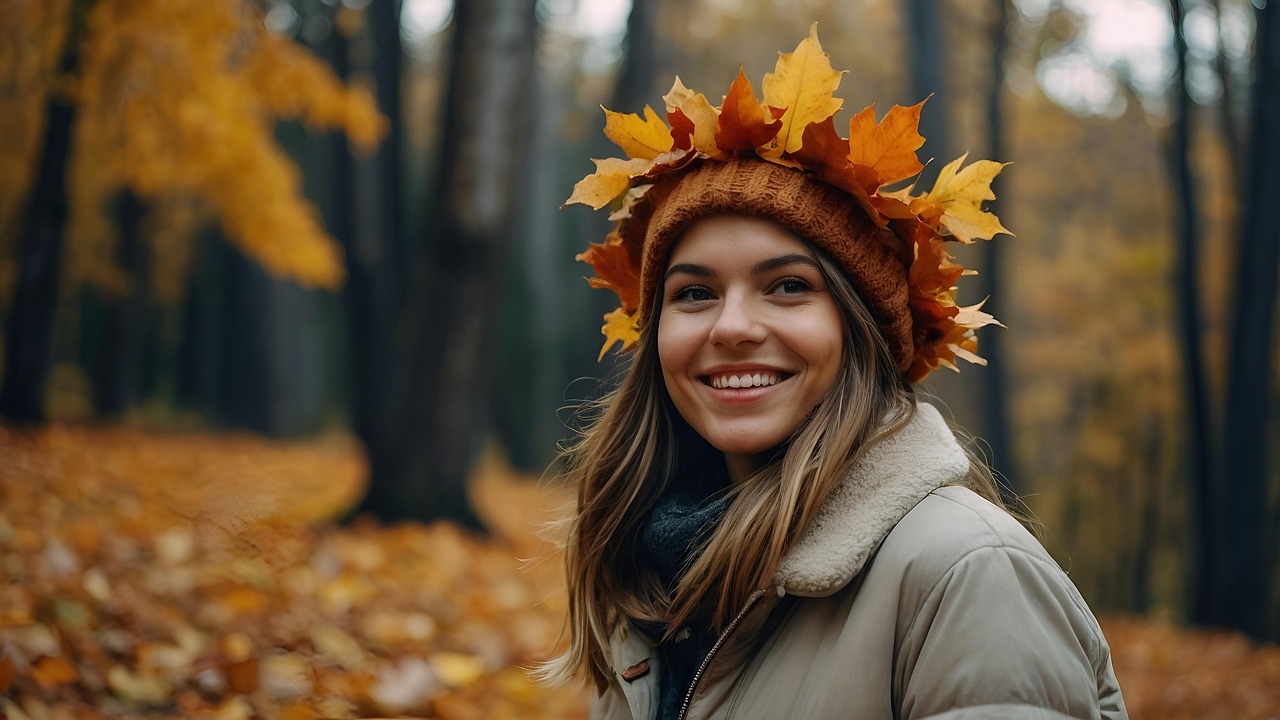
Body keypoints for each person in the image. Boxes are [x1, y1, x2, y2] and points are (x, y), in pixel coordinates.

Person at [547, 27, 1128, 720]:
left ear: (860, 333)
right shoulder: (652, 579)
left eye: (788, 286)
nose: (731, 327)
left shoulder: (966, 573)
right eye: (694, 293)